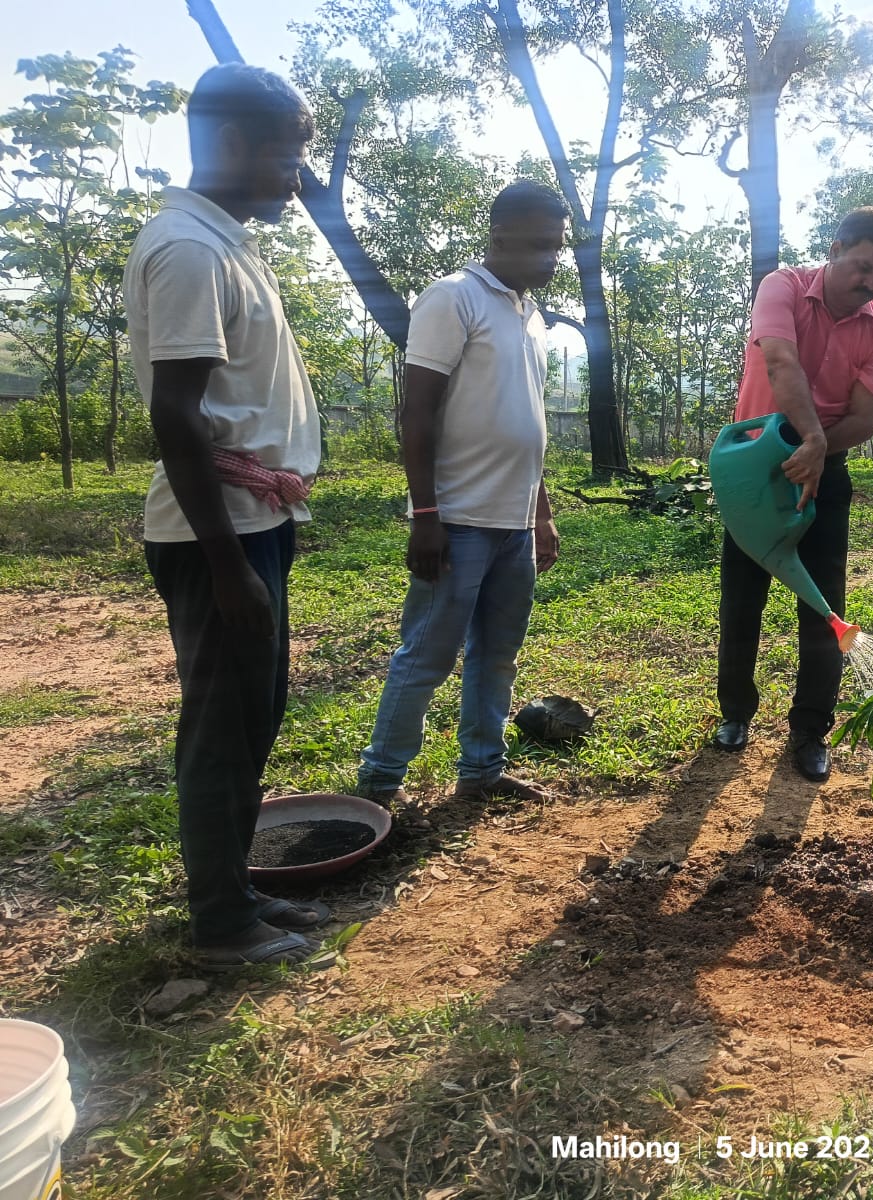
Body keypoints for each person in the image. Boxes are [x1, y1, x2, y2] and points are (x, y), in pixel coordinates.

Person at [126, 64, 328, 967]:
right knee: (221, 728)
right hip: (220, 538)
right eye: (289, 153)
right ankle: (219, 924)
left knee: (254, 717)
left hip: (253, 527)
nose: (297, 174)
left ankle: (236, 896)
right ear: (238, 143)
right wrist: (225, 564)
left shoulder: (227, 244)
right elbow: (176, 416)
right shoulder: (190, 250)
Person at [354, 181, 568, 808]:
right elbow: (416, 412)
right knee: (426, 656)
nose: (549, 259)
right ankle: (380, 786)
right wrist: (426, 514)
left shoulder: (527, 315)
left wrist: (542, 512)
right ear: (499, 234)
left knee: (497, 656)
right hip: (459, 520)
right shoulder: (454, 298)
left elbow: (526, 425)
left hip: (513, 523)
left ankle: (481, 771)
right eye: (537, 245)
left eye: (555, 248)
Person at [712, 206, 873, 783]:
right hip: (755, 462)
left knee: (824, 608)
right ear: (837, 246)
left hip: (829, 465)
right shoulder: (784, 288)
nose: (869, 283)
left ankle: (810, 730)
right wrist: (808, 442)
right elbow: (780, 360)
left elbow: (866, 419)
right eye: (863, 267)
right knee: (742, 600)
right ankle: (735, 714)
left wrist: (820, 451)